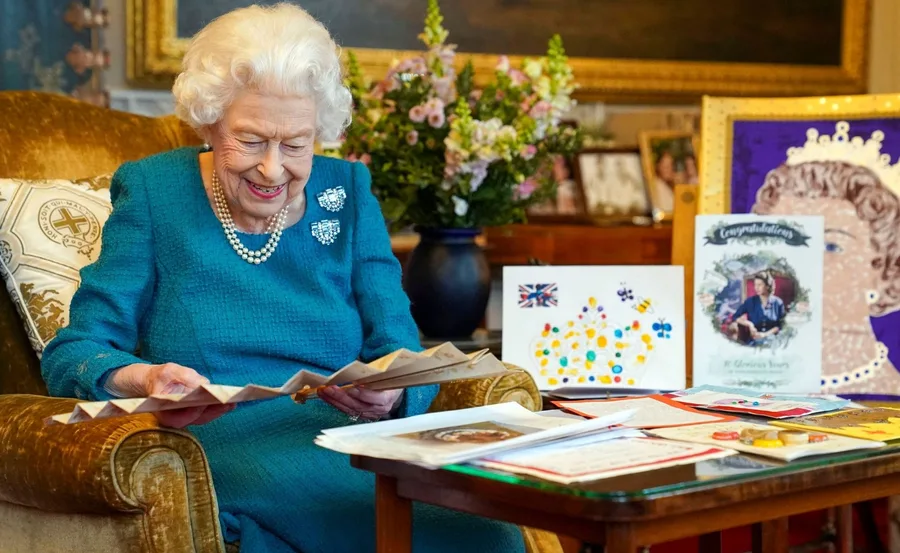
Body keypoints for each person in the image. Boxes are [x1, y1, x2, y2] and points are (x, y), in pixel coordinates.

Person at [39, 4, 525, 553]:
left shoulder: (350, 193)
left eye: (295, 145)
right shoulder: (154, 192)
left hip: (351, 441)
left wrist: (390, 398)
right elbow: (74, 351)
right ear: (210, 120)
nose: (273, 169)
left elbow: (399, 346)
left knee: (488, 534)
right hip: (223, 445)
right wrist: (144, 380)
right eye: (250, 140)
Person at [753, 160, 900, 395]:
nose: (797, 267)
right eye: (783, 244)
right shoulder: (739, 381)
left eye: (830, 247)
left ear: (881, 267)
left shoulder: (889, 394)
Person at [728, 271, 785, 346]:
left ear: (768, 286)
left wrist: (765, 335)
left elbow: (781, 325)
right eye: (755, 285)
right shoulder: (750, 302)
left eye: (759, 285)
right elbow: (735, 317)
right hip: (755, 340)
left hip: (773, 340)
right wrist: (750, 324)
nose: (756, 288)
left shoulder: (778, 302)